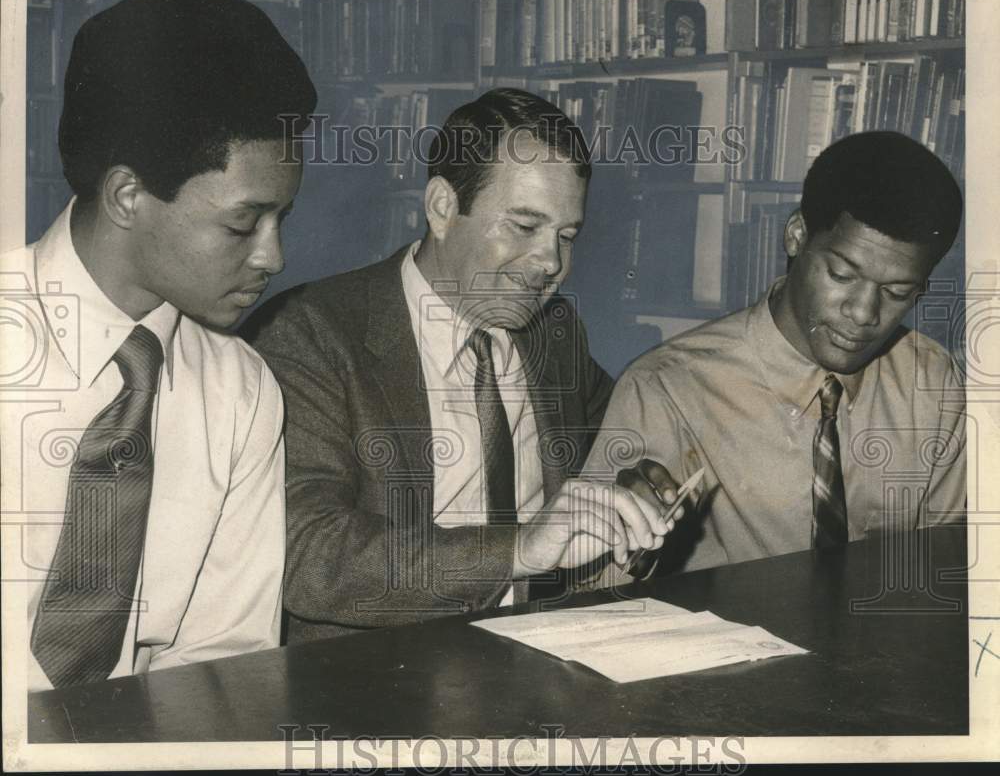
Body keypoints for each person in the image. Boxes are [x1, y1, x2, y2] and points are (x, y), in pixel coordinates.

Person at [244, 88, 680, 643]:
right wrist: (518, 551)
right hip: (374, 678)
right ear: (443, 208)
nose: (550, 263)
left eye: (566, 237)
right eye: (524, 227)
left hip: (534, 658)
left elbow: (613, 445)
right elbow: (306, 554)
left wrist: (634, 487)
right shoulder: (309, 333)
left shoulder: (555, 334)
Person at [1, 0, 316, 691]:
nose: (274, 257)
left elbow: (224, 661)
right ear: (126, 196)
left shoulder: (240, 389)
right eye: (244, 223)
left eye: (283, 218)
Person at [584, 131, 966, 580]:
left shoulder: (933, 381)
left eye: (898, 292)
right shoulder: (667, 386)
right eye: (842, 275)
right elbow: (595, 589)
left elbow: (950, 568)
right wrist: (630, 542)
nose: (864, 313)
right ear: (796, 235)